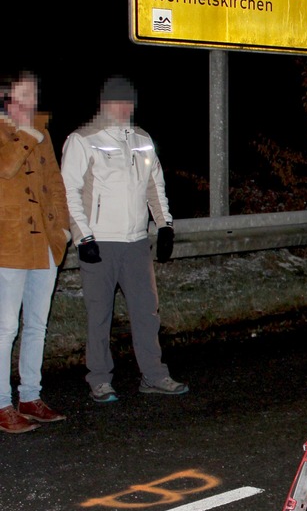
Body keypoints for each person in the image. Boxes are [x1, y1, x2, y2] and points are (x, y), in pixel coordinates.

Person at [61, 75, 188, 402]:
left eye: (127, 101)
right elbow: (69, 192)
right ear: (104, 104)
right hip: (99, 244)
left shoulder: (142, 140)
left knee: (148, 312)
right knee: (99, 314)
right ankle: (100, 379)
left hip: (135, 244)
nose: (123, 108)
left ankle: (154, 375)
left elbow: (154, 186)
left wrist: (165, 225)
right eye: (116, 101)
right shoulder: (82, 140)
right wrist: (83, 237)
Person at [0, 71, 71, 433]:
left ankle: (30, 395)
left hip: (45, 243)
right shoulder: (7, 130)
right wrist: (25, 132)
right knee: (5, 327)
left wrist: (62, 228)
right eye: (24, 92)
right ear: (8, 95)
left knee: (37, 325)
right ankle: (1, 404)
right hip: (9, 245)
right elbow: (6, 168)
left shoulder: (42, 132)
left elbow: (55, 184)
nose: (32, 98)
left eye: (34, 92)